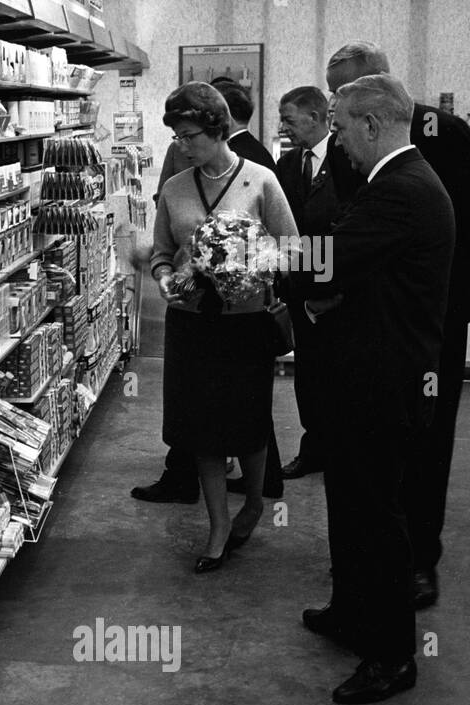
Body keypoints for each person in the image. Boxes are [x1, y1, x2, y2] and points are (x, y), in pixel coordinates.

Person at [300, 73, 454, 704]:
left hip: (381, 384)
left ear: (370, 124)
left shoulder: (402, 189)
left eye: (338, 126)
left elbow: (330, 257)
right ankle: (351, 612)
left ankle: (391, 656)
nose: (335, 139)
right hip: (361, 377)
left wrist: (248, 257)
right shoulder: (391, 183)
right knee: (350, 504)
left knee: (376, 518)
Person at [325, 42, 470, 609]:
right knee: (364, 458)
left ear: (376, 97)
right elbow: (340, 221)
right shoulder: (374, 152)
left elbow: (467, 229)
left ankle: (415, 560)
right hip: (372, 312)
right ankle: (363, 582)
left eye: (340, 99)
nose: (332, 119)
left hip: (422, 317)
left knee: (419, 445)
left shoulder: (440, 142)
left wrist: (273, 259)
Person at [150, 83, 298, 573]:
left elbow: (293, 247)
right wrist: (166, 278)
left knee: (248, 423)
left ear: (218, 130)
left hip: (245, 324)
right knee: (201, 430)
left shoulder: (260, 180)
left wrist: (254, 263)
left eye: (190, 135)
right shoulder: (173, 189)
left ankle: (253, 503)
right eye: (176, 135)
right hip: (192, 325)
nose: (181, 145)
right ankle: (216, 528)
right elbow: (161, 254)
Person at [274, 86, 364, 479]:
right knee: (308, 375)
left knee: (340, 376)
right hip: (299, 284)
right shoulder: (288, 164)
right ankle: (314, 450)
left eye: (290, 120)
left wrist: (333, 283)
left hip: (338, 287)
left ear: (315, 117)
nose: (284, 127)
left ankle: (342, 451)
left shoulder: (348, 160)